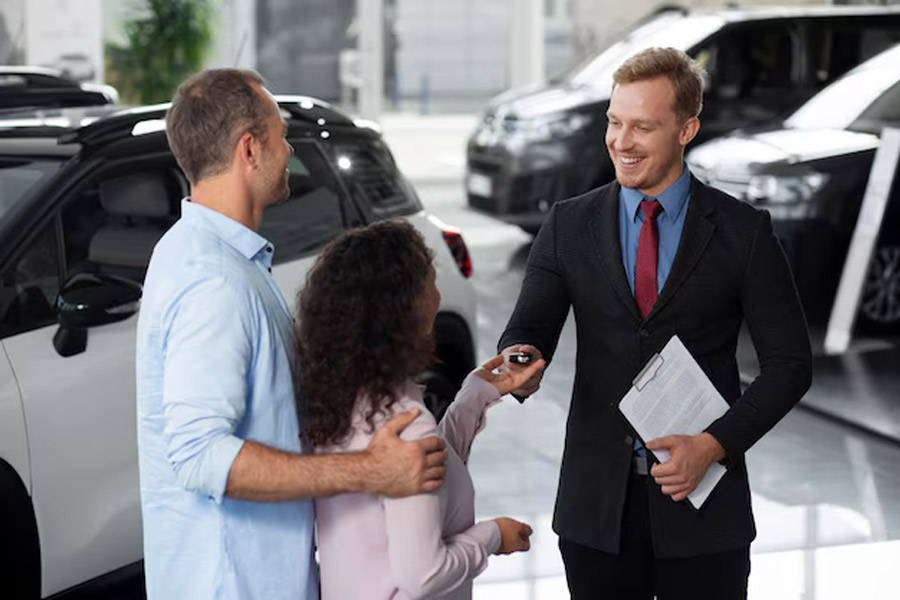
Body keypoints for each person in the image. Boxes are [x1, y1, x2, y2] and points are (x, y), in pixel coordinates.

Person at [499, 47, 813, 599]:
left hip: (705, 516)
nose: (621, 141)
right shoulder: (568, 225)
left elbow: (790, 367)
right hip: (595, 513)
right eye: (615, 122)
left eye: (643, 127)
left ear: (687, 128)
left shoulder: (744, 232)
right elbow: (529, 327)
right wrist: (519, 360)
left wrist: (714, 444)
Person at [135, 69, 447, 600]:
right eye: (282, 137)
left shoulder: (206, 253)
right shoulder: (215, 282)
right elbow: (198, 456)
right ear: (249, 149)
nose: (290, 151)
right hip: (235, 585)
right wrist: (369, 471)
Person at [296, 221, 543, 599]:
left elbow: (437, 478)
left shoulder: (340, 404)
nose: (438, 297)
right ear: (403, 309)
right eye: (430, 283)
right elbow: (424, 575)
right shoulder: (409, 429)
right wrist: (493, 536)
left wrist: (475, 395)